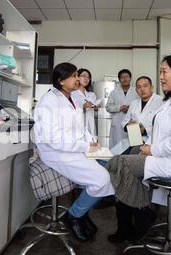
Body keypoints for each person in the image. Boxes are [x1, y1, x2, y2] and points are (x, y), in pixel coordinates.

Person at [106, 53, 171, 244]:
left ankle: (139, 212)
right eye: (160, 72)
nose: (161, 76)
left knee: (119, 164)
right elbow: (161, 132)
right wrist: (145, 147)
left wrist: (151, 150)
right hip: (162, 155)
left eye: (164, 72)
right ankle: (136, 214)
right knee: (120, 163)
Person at [34, 63, 115, 242]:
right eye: (73, 76)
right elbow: (53, 138)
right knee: (101, 179)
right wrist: (84, 147)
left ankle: (83, 210)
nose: (78, 79)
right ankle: (73, 215)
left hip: (75, 147)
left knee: (111, 163)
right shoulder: (49, 101)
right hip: (57, 152)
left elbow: (79, 127)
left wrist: (91, 140)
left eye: (77, 74)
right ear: (61, 81)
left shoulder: (73, 98)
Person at [120, 76, 163, 154]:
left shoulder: (161, 102)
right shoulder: (134, 103)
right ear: (136, 90)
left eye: (145, 86)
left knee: (132, 155)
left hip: (150, 141)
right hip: (133, 139)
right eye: (139, 87)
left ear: (152, 87)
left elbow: (163, 125)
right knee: (116, 155)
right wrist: (129, 126)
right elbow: (124, 121)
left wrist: (145, 130)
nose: (142, 89)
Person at [106, 69, 140, 149]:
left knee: (132, 146)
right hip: (117, 123)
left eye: (127, 77)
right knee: (117, 147)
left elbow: (140, 105)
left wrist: (130, 108)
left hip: (132, 122)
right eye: (122, 77)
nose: (125, 79)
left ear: (130, 78)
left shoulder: (136, 91)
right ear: (119, 79)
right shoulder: (114, 92)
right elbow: (108, 107)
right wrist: (119, 108)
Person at [71, 68, 99, 137]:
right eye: (83, 76)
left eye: (88, 77)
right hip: (76, 127)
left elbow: (95, 115)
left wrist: (96, 109)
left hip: (90, 126)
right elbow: (68, 111)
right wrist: (83, 107)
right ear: (77, 77)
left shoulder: (92, 95)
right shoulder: (72, 94)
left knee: (91, 145)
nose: (86, 78)